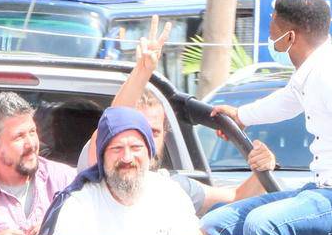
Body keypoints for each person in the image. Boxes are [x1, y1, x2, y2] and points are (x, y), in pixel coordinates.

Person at [204, 0, 332, 235]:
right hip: (322, 192)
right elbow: (287, 101)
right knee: (214, 224)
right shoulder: (311, 73)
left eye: (272, 24)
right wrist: (241, 116)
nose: (270, 34)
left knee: (261, 225)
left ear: (291, 37)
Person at [79, 17, 276, 214]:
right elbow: (115, 121)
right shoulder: (99, 178)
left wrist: (263, 167)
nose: (143, 144)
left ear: (165, 135)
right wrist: (142, 71)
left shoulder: (173, 189)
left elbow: (237, 198)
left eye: (153, 132)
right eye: (133, 135)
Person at [42, 107, 203, 235]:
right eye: (116, 149)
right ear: (102, 156)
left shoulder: (171, 196)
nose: (127, 158)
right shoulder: (80, 205)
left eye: (135, 148)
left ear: (149, 152)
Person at [0, 92, 78, 235]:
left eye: (32, 132)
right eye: (19, 136)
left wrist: (57, 226)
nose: (31, 144)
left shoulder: (67, 180)